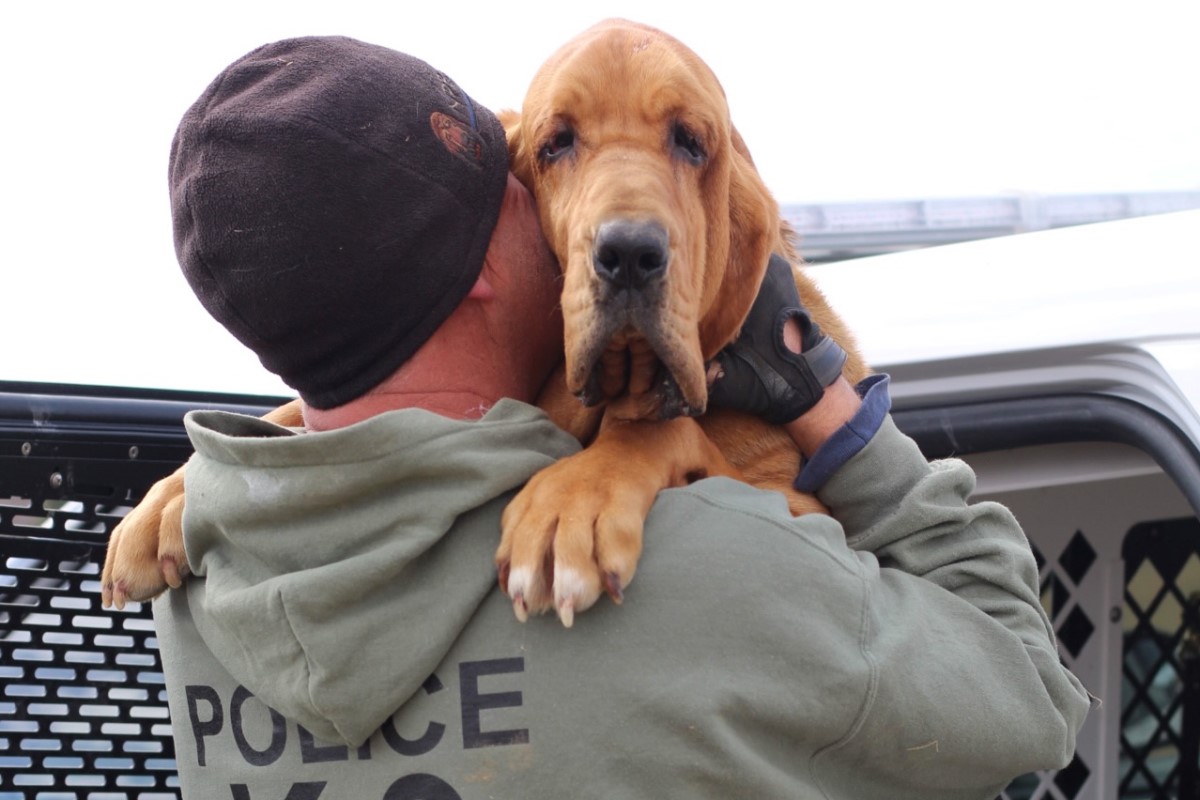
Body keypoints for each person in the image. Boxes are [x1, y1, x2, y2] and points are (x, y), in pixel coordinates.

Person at [150, 35, 1089, 799]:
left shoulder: (196, 584)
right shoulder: (710, 571)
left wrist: (250, 461)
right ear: (479, 267)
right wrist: (824, 400)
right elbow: (1030, 700)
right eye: (541, 167)